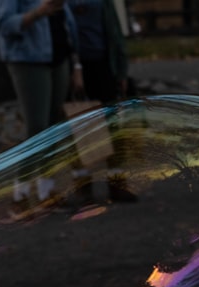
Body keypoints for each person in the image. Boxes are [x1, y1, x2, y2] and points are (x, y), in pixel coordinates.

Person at [0, 0, 88, 214]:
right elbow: (5, 25)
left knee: (54, 126)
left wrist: (76, 65)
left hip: (59, 59)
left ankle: (46, 191)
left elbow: (67, 24)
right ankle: (21, 196)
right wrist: (38, 13)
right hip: (29, 60)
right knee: (37, 127)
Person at [69, 0, 138, 203]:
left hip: (105, 64)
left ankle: (116, 182)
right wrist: (74, 68)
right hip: (79, 68)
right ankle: (84, 185)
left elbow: (114, 31)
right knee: (83, 127)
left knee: (113, 125)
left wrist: (121, 69)